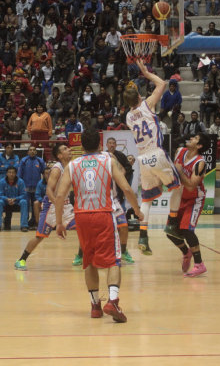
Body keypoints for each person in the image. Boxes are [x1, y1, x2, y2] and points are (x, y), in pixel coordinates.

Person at [55, 128, 144, 322]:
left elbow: (60, 195)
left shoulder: (72, 164)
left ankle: (95, 305)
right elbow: (126, 187)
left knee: (89, 260)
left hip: (81, 216)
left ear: (81, 146)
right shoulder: (108, 160)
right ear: (100, 145)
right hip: (103, 214)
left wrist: (60, 222)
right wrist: (137, 210)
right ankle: (113, 301)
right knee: (113, 260)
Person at [123, 59, 182, 255]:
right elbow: (162, 84)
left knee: (147, 200)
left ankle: (143, 237)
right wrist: (146, 73)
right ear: (140, 96)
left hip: (142, 159)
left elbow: (133, 101)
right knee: (177, 187)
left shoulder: (128, 117)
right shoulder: (147, 105)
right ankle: (172, 222)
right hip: (156, 153)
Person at [14, 144, 79, 270]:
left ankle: (81, 256)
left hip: (66, 205)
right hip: (52, 206)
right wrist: (57, 204)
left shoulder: (71, 167)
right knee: (40, 236)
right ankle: (21, 259)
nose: (69, 150)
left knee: (83, 227)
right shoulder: (57, 169)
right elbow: (49, 190)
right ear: (59, 155)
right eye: (65, 149)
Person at [171, 133, 210, 277]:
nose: (191, 138)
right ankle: (186, 252)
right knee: (170, 231)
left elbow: (191, 186)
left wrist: (180, 172)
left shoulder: (200, 163)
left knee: (187, 230)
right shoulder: (180, 151)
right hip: (179, 196)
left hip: (194, 199)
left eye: (195, 139)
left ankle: (200, 264)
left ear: (199, 146)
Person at [106, 137, 135, 263]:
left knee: (123, 226)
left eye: (114, 143)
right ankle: (83, 253)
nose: (112, 145)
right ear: (106, 145)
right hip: (102, 199)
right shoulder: (103, 156)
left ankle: (123, 251)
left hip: (117, 196)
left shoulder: (118, 156)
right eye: (110, 143)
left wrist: (119, 177)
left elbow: (126, 169)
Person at [0, 167, 28, 232]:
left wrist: (15, 199)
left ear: (16, 174)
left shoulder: (20, 182)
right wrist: (7, 199)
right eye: (9, 172)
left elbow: (23, 194)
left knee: (24, 202)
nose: (11, 174)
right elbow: (0, 195)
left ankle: (24, 226)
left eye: (13, 172)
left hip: (17, 201)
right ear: (6, 173)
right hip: (5, 201)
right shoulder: (1, 182)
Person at [18, 146, 46, 227]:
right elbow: (19, 174)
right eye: (30, 150)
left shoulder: (40, 161)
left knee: (35, 206)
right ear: (28, 152)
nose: (32, 151)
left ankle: (34, 221)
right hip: (25, 188)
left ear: (36, 152)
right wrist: (20, 186)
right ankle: (24, 223)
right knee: (25, 206)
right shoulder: (24, 160)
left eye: (34, 150)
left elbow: (44, 174)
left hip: (36, 188)